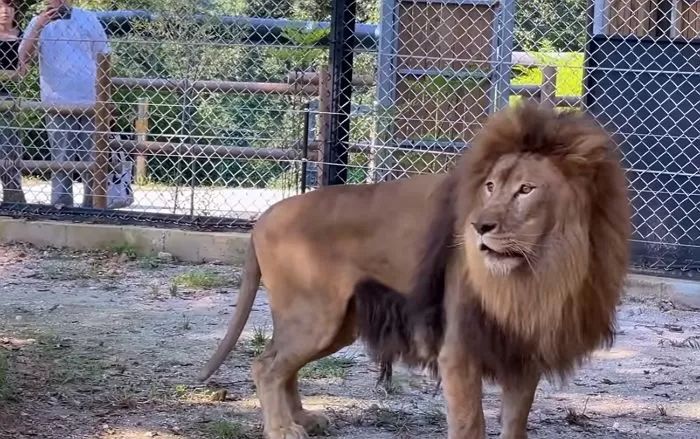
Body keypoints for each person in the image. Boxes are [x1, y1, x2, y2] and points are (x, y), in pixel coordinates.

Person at [19, 0, 111, 208]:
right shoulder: (37, 22)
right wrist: (39, 25)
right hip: (57, 102)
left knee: (94, 159)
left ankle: (93, 207)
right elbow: (24, 56)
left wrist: (106, 99)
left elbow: (105, 56)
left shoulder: (89, 19)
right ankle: (61, 206)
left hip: (91, 102)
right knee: (61, 159)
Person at [0, 0, 26, 203]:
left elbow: (22, 72)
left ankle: (13, 197)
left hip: (9, 97)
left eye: (9, 6)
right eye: (0, 6)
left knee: (9, 147)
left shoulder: (22, 35)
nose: (5, 11)